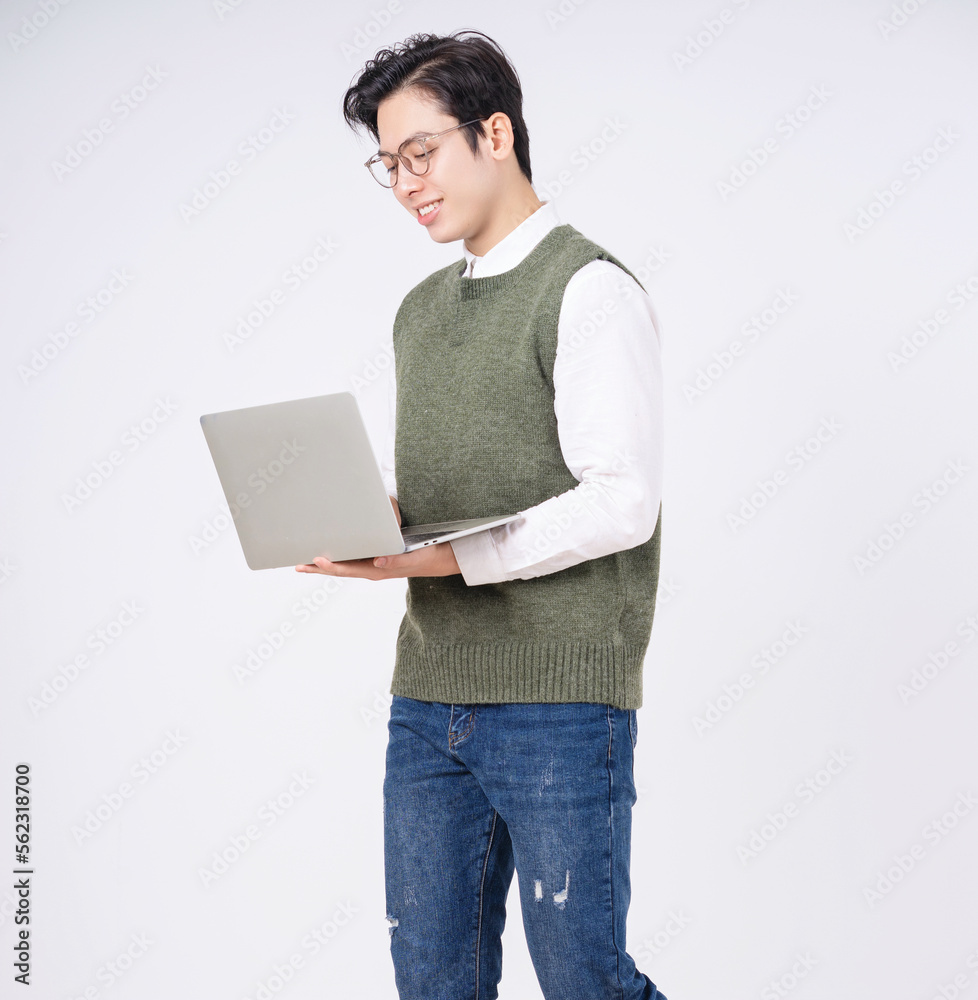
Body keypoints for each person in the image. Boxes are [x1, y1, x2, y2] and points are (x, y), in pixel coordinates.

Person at [297, 29, 668, 1000]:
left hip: (560, 699)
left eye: (421, 152)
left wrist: (435, 560)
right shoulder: (418, 311)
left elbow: (622, 503)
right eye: (389, 164)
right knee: (433, 981)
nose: (408, 182)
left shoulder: (588, 291)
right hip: (428, 700)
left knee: (586, 978)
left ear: (494, 132)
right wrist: (368, 525)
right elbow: (439, 503)